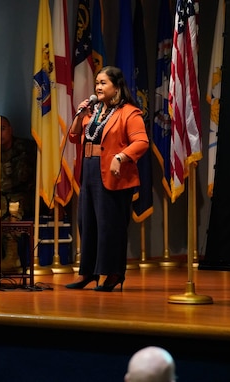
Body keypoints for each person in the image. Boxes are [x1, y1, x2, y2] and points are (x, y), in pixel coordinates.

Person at [66, 66, 149, 292]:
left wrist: (121, 157)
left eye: (103, 83)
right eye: (97, 83)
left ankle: (113, 274)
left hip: (115, 175)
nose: (98, 87)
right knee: (87, 223)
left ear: (117, 87)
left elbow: (141, 142)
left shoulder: (129, 112)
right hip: (90, 171)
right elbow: (74, 137)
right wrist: (80, 114)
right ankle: (88, 273)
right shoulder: (92, 112)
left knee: (109, 227)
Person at [0, 116, 37, 272]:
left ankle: (13, 258)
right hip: (0, 194)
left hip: (22, 194)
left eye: (2, 129)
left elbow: (21, 178)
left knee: (12, 212)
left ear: (10, 130)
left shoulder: (23, 147)